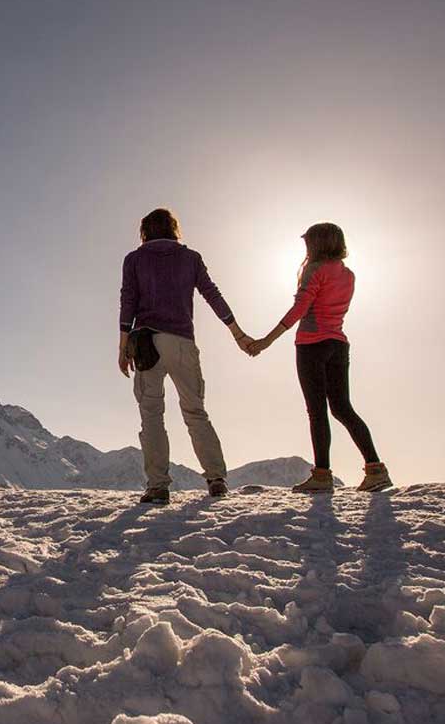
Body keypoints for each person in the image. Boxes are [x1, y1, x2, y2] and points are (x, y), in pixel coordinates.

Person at [119, 207, 254, 504]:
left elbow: (128, 300)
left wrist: (122, 345)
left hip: (145, 344)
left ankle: (158, 486)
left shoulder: (134, 259)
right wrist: (237, 332)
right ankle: (216, 479)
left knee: (151, 415)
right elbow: (212, 294)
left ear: (145, 232)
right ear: (173, 229)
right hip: (182, 342)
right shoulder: (190, 258)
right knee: (195, 412)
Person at [246, 222, 393, 493]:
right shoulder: (348, 275)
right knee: (343, 408)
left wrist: (266, 340)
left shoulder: (314, 270)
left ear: (317, 244)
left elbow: (300, 309)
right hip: (338, 344)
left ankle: (322, 475)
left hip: (312, 345)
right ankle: (376, 469)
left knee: (317, 411)